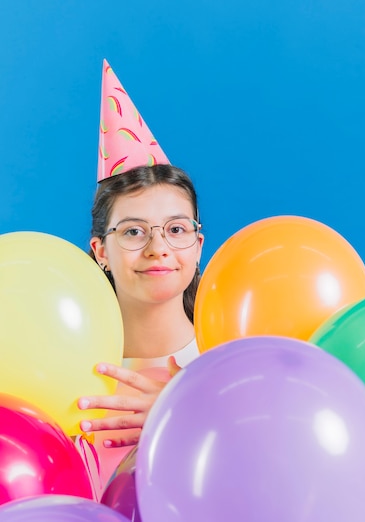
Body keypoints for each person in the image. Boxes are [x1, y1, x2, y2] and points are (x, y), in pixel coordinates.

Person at [75, 60, 204, 498]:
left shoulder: (233, 355)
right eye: (133, 231)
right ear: (101, 252)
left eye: (176, 228)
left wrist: (181, 419)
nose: (158, 248)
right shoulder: (66, 367)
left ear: (198, 244)